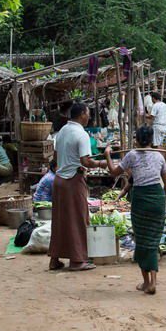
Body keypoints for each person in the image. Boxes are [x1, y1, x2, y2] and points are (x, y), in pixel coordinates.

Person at [105, 126, 166, 295]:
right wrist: (164, 198)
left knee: (141, 241)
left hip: (141, 199)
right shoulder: (158, 155)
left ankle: (147, 282)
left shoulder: (131, 155)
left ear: (136, 139)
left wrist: (107, 155)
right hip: (157, 198)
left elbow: (113, 173)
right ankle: (152, 282)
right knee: (153, 242)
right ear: (151, 139)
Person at [49, 103, 107, 272]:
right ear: (82, 114)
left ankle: (55, 259)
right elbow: (86, 161)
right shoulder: (81, 134)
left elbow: (56, 157)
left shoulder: (61, 132)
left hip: (59, 179)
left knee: (60, 220)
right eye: (88, 113)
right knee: (79, 219)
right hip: (73, 180)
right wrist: (101, 163)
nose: (89, 117)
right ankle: (77, 260)